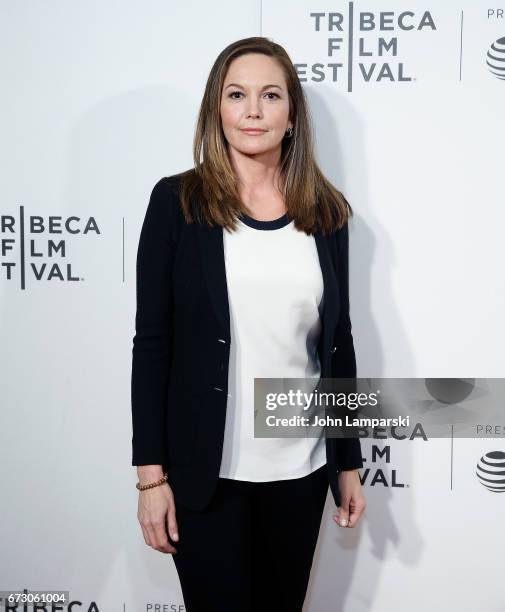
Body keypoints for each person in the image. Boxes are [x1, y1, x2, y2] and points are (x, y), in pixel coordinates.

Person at [131, 36, 366, 612]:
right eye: (237, 95)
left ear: (292, 116)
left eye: (270, 96)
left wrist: (349, 461)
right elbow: (152, 346)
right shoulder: (177, 203)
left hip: (301, 470)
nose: (253, 111)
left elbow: (337, 343)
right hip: (206, 477)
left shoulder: (327, 212)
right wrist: (150, 478)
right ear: (218, 108)